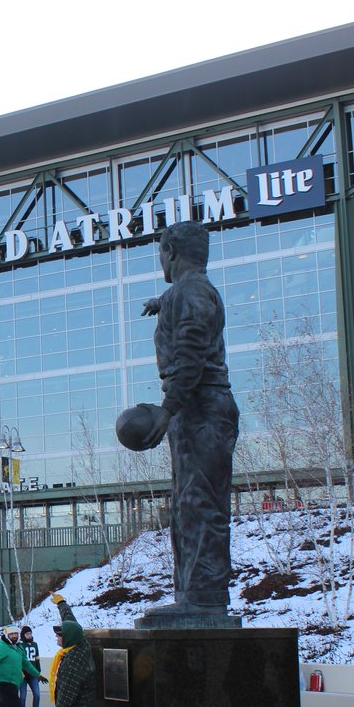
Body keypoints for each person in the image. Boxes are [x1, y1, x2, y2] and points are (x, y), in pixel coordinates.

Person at [131, 220, 239, 627]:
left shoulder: (192, 292)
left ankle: (205, 600)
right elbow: (192, 315)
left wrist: (167, 407)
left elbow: (193, 351)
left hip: (200, 407)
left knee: (200, 505)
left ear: (169, 251)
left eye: (160, 252)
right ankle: (192, 595)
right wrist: (164, 301)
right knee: (186, 505)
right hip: (199, 410)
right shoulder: (186, 293)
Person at [18, 626, 44, 707]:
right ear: (23, 635)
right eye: (27, 634)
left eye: (30, 633)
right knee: (23, 697)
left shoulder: (35, 644)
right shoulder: (20, 645)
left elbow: (37, 659)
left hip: (33, 674)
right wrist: (20, 672)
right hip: (23, 675)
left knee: (37, 694)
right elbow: (18, 660)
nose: (29, 635)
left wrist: (38, 672)